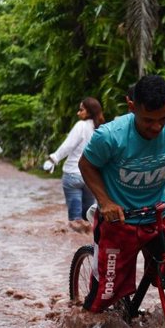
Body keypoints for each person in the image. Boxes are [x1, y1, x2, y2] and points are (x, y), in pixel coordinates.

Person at [78, 74, 165, 313]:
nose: (157, 127)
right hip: (119, 221)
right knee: (105, 295)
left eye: (162, 119)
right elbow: (86, 165)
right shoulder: (110, 135)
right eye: (148, 120)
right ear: (132, 106)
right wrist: (105, 202)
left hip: (159, 216)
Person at [45, 97, 105, 233]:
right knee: (89, 218)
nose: (78, 113)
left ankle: (76, 247)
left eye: (81, 110)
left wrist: (53, 159)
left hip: (73, 175)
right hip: (91, 178)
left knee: (75, 220)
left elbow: (68, 146)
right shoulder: (102, 129)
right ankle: (88, 246)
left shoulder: (81, 126)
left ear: (89, 111)